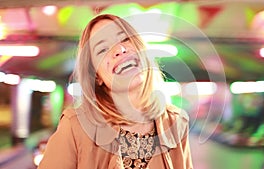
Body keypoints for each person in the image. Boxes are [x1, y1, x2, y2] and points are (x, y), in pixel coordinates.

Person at [38, 13, 193, 169]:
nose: (120, 49)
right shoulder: (74, 126)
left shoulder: (176, 122)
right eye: (103, 49)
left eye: (125, 39)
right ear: (96, 76)